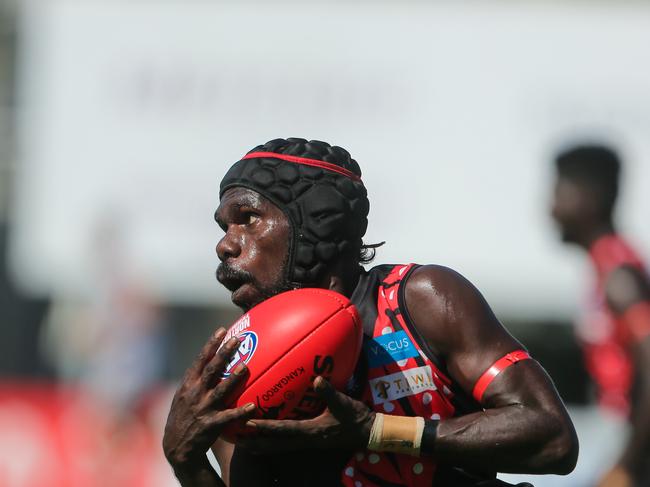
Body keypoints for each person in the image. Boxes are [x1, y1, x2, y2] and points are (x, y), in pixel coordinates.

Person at [163, 138, 578, 486]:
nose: (225, 245)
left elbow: (553, 439)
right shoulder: (236, 377)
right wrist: (188, 462)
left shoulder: (417, 302)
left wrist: (376, 433)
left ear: (315, 225)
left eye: (248, 218)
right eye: (224, 228)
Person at [550, 144, 650, 487]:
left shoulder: (621, 276)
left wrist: (627, 466)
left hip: (625, 444)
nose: (551, 208)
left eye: (558, 192)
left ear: (589, 197)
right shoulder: (604, 266)